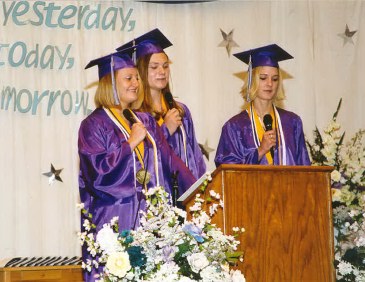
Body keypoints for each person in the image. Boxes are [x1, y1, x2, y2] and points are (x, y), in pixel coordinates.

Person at [78, 50, 196, 281]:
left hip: (149, 217)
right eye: (128, 78)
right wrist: (130, 143)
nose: (136, 83)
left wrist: (197, 188)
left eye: (137, 77)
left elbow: (168, 158)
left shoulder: (145, 120)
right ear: (110, 83)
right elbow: (97, 176)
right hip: (115, 216)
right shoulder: (94, 125)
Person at [116, 29, 206, 179]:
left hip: (186, 191)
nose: (162, 71)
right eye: (154, 67)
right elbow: (139, 159)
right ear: (140, 71)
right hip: (155, 192)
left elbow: (195, 156)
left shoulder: (180, 110)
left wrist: (200, 189)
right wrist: (165, 130)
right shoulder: (133, 115)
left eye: (165, 66)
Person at [215, 44, 310, 166]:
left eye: (275, 79)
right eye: (263, 78)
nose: (270, 84)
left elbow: (305, 167)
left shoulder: (292, 122)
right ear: (252, 80)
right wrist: (260, 151)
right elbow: (227, 172)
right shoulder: (234, 127)